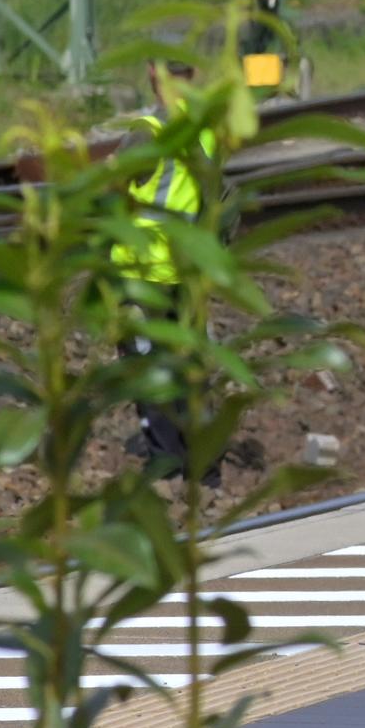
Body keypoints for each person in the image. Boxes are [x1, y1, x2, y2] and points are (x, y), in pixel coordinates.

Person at [113, 76, 214, 481]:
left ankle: (166, 464)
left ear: (154, 74)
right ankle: (204, 469)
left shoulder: (148, 133)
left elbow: (110, 187)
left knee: (147, 368)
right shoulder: (205, 127)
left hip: (145, 271)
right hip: (188, 269)